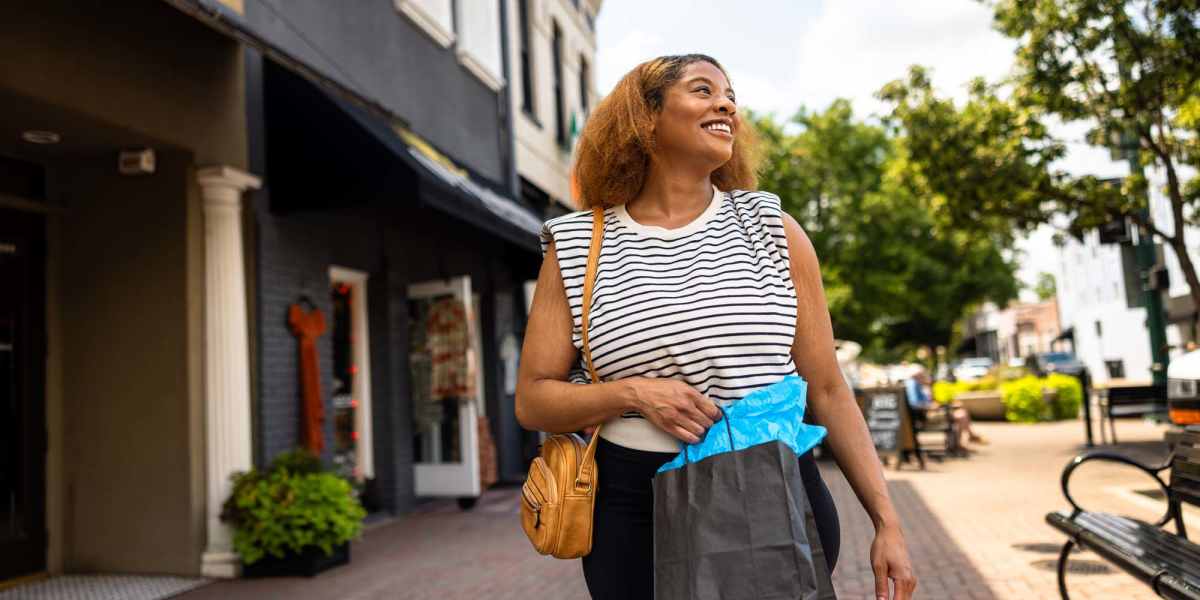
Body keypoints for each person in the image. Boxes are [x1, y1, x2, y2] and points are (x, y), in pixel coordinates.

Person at [516, 54, 917, 600]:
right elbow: (533, 400)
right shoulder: (578, 245)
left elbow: (826, 387)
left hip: (772, 487)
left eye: (730, 94)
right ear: (647, 116)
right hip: (634, 503)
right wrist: (632, 394)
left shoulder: (774, 228)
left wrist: (887, 521)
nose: (726, 103)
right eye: (702, 90)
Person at [905, 366, 986, 448]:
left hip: (927, 414)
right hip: (924, 417)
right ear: (916, 375)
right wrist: (930, 406)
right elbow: (915, 403)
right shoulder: (913, 384)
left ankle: (960, 442)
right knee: (961, 415)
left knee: (961, 414)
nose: (924, 376)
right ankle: (962, 442)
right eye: (922, 375)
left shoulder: (918, 385)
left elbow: (926, 401)